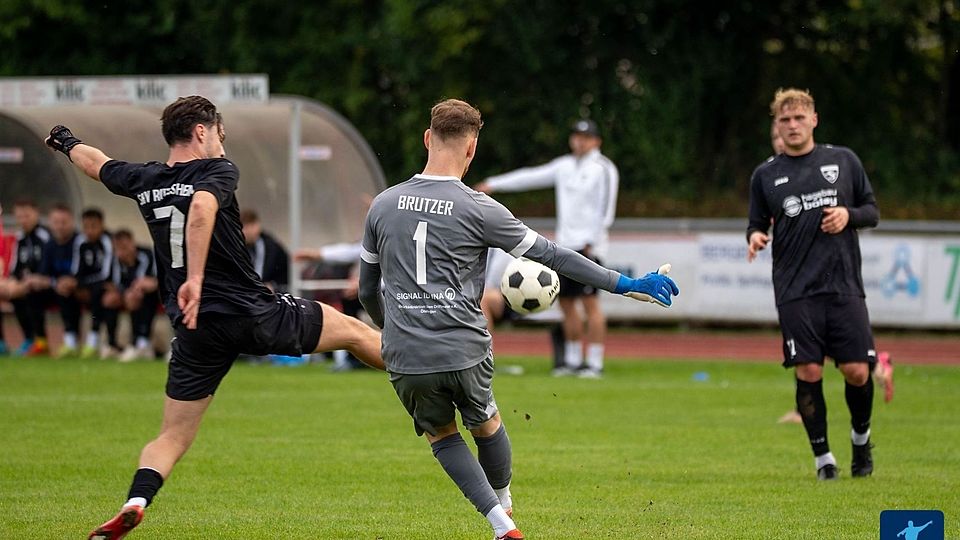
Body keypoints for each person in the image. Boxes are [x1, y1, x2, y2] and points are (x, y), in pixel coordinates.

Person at [44, 95, 385, 540]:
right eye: (220, 134)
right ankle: (430, 369)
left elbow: (97, 164)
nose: (223, 143)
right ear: (201, 131)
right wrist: (196, 277)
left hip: (195, 328)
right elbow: (203, 208)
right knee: (356, 333)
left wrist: (66, 141)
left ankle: (136, 502)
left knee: (172, 437)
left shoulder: (145, 178)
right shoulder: (216, 171)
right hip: (249, 312)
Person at [358, 99, 678, 540]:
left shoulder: (382, 205)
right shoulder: (480, 208)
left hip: (406, 353)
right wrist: (624, 284)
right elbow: (553, 255)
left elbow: (366, 291)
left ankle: (500, 525)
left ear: (427, 139)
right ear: (471, 149)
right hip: (464, 347)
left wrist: (391, 330)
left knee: (442, 435)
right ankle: (505, 505)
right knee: (486, 424)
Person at [747, 88, 880, 480]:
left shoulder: (844, 160)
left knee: (857, 371)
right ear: (777, 125)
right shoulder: (765, 175)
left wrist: (848, 215)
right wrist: (755, 236)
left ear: (814, 120)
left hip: (843, 284)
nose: (792, 126)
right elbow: (755, 223)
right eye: (785, 120)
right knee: (808, 370)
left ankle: (860, 440)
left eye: (799, 118)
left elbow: (871, 211)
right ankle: (824, 460)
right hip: (794, 289)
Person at [476, 118, 619, 378]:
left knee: (590, 304)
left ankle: (595, 362)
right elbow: (530, 177)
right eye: (576, 136)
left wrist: (592, 241)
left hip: (589, 247)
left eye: (585, 137)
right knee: (567, 304)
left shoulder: (603, 168)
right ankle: (572, 361)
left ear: (596, 141)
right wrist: (494, 184)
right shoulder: (564, 166)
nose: (579, 141)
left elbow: (605, 209)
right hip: (564, 248)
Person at [33, 204, 85, 357]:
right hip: (57, 287)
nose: (60, 226)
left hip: (79, 287)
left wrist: (70, 282)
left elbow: (81, 271)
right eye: (56, 222)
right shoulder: (49, 245)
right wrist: (52, 282)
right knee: (33, 294)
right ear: (50, 223)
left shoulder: (80, 242)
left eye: (64, 222)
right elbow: (43, 273)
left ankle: (72, 341)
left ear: (72, 222)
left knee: (66, 292)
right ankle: (40, 341)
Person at [6, 199, 52, 356]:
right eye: (20, 217)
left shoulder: (45, 236)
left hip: (46, 284)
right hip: (26, 284)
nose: (23, 220)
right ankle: (28, 339)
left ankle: (41, 341)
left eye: (27, 216)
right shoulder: (19, 238)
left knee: (31, 292)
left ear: (36, 214)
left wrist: (30, 281)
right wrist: (13, 282)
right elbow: (15, 267)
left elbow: (47, 265)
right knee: (12, 292)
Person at [75, 208, 121, 358]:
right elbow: (77, 270)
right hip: (91, 285)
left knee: (103, 294)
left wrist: (85, 284)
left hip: (110, 286)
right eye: (86, 227)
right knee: (65, 291)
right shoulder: (81, 242)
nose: (89, 231)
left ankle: (99, 340)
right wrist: (79, 285)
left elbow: (106, 274)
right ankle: (71, 340)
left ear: (102, 225)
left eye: (93, 226)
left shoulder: (107, 241)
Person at [110, 229, 160, 361]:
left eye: (125, 247)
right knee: (110, 299)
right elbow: (117, 283)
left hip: (153, 293)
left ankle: (142, 342)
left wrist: (138, 289)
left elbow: (150, 280)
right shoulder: (117, 260)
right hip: (130, 294)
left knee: (142, 296)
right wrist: (127, 292)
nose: (122, 252)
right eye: (119, 248)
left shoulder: (146, 254)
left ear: (132, 243)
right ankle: (112, 344)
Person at [240, 208, 289, 293]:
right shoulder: (234, 246)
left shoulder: (272, 247)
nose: (248, 231)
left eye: (251, 226)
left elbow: (284, 273)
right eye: (245, 227)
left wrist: (273, 285)